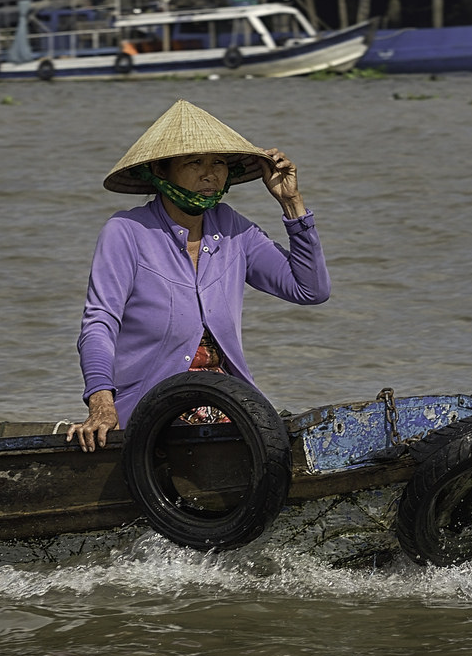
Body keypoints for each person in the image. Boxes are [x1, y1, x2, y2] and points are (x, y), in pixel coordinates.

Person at [65, 100, 329, 450]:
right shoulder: (126, 231)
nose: (210, 174)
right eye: (194, 163)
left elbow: (310, 289)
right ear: (161, 171)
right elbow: (99, 322)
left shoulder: (233, 228)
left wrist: (291, 203)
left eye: (218, 163)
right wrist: (100, 404)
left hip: (228, 399)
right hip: (152, 406)